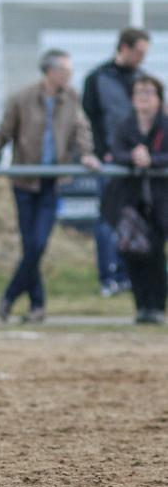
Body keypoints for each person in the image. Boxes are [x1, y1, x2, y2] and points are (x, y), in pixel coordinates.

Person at [0, 50, 99, 323]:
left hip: (52, 182)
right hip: (24, 182)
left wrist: (86, 153)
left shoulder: (71, 98)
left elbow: (81, 129)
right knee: (32, 245)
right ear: (50, 71)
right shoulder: (23, 98)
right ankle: (37, 305)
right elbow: (3, 134)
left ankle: (10, 296)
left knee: (37, 244)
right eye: (65, 70)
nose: (69, 76)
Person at [83, 28, 150, 297]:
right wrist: (101, 153)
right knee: (108, 218)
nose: (142, 58)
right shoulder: (98, 78)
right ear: (124, 47)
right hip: (110, 162)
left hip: (137, 162)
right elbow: (89, 119)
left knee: (137, 219)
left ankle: (131, 275)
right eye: (138, 52)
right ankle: (109, 276)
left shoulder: (142, 79)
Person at [101, 75, 168, 324]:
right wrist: (133, 156)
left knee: (156, 255)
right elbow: (114, 153)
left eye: (149, 92)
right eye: (139, 92)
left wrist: (153, 159)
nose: (143, 96)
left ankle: (157, 307)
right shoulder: (125, 125)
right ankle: (141, 307)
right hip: (130, 201)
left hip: (160, 202)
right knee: (132, 253)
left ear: (159, 98)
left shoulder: (164, 125)